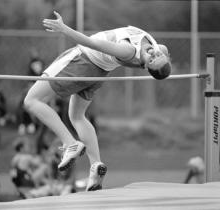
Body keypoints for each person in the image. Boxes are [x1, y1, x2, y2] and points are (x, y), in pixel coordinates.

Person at [24, 11, 172, 191]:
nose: (153, 54)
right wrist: (161, 60)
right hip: (99, 72)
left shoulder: (128, 51)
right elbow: (162, 60)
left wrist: (64, 29)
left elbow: (91, 42)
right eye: (158, 55)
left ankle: (69, 143)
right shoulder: (159, 47)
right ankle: (95, 167)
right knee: (77, 116)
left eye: (152, 59)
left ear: (147, 65)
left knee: (32, 101)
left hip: (82, 61)